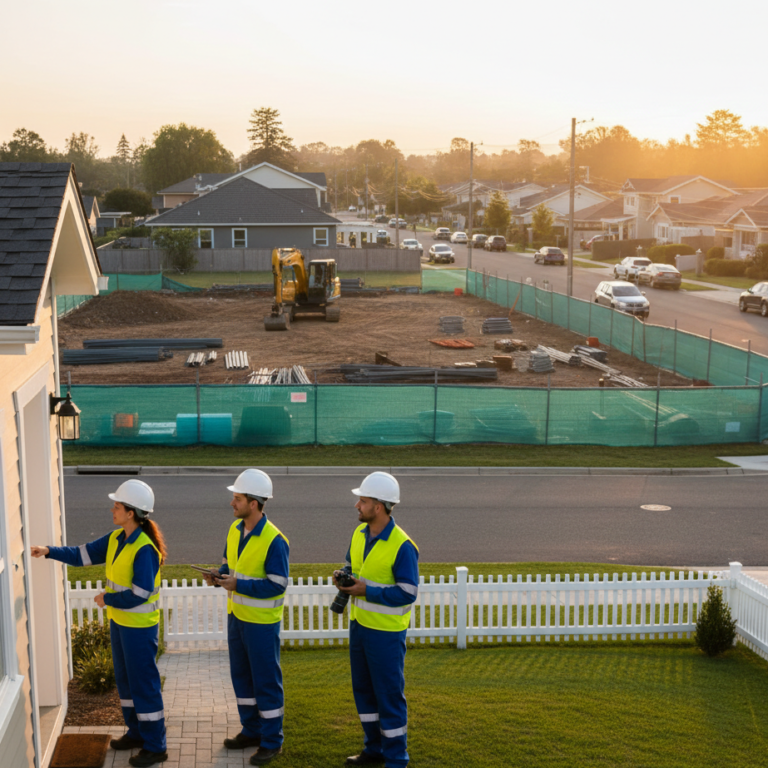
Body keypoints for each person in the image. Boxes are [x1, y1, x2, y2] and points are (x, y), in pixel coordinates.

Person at [31, 479, 167, 768]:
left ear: (131, 512)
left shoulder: (144, 549)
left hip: (139, 629)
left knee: (144, 685)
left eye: (116, 506)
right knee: (126, 682)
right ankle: (136, 733)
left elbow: (141, 594)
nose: (112, 510)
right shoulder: (117, 538)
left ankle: (156, 746)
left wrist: (108, 599)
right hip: (121, 624)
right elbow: (81, 554)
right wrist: (49, 551)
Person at [203, 469, 289, 765]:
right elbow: (229, 566)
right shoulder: (234, 529)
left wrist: (238, 584)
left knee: (265, 682)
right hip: (237, 618)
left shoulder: (275, 540)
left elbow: (277, 585)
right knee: (241, 678)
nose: (232, 502)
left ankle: (272, 741)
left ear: (254, 503)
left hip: (262, 624)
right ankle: (252, 730)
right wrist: (218, 576)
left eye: (237, 498)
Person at [335, 471, 419, 768]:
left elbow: (408, 592)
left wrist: (366, 591)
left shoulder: (403, 545)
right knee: (364, 691)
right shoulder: (359, 534)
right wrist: (344, 576)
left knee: (388, 695)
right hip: (359, 627)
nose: (357, 505)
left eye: (363, 500)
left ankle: (396, 759)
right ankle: (374, 749)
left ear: (379, 506)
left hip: (386, 634)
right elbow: (353, 564)